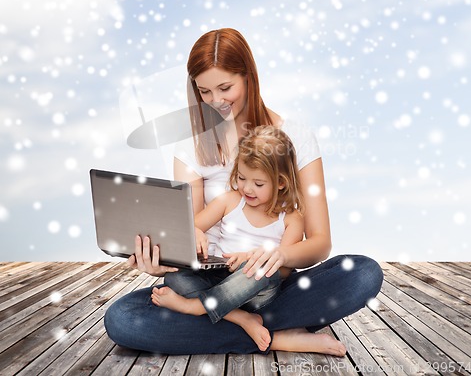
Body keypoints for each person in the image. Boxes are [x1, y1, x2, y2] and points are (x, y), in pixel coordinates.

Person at [104, 28, 384, 356]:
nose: (216, 101)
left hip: (269, 280)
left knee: (363, 273)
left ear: (248, 77)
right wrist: (160, 260)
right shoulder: (190, 146)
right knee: (121, 319)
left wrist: (279, 255)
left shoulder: (296, 136)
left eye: (225, 87)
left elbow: (320, 243)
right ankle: (275, 334)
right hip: (207, 280)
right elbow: (192, 233)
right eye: (204, 92)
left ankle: (217, 321)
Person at [151, 126, 305, 352]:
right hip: (219, 278)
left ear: (281, 182)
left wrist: (250, 261)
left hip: (255, 290)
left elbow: (284, 270)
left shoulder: (292, 219)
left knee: (263, 270)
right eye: (242, 178)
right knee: (175, 279)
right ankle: (241, 318)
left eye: (258, 184)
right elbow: (188, 228)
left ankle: (194, 307)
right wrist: (195, 233)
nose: (247, 188)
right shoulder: (230, 201)